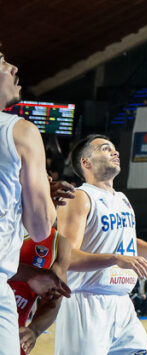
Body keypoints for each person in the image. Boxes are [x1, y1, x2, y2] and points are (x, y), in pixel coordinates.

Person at [56, 135, 147, 355]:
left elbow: (129, 246)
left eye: (114, 148)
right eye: (105, 149)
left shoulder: (122, 199)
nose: (115, 152)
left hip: (122, 303)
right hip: (87, 304)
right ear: (86, 162)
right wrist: (115, 258)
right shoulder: (80, 197)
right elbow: (66, 258)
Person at [0, 51, 63, 354]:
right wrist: (44, 195)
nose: (13, 67)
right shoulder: (20, 130)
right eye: (2, 62)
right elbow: (39, 228)